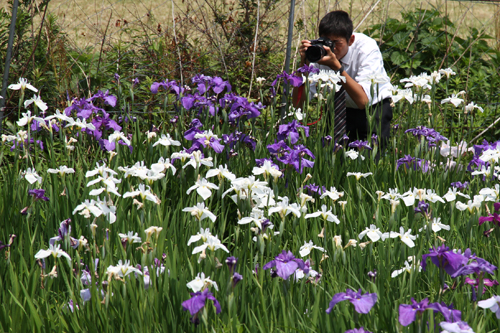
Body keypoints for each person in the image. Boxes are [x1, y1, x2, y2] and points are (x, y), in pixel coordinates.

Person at [292, 10, 393, 146]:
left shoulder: (366, 48)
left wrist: (337, 68)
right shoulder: (318, 51)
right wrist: (303, 65)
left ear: (350, 40)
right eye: (327, 42)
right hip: (338, 110)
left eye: (336, 43)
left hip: (372, 111)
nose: (331, 48)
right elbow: (299, 105)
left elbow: (363, 101)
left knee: (369, 163)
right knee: (332, 160)